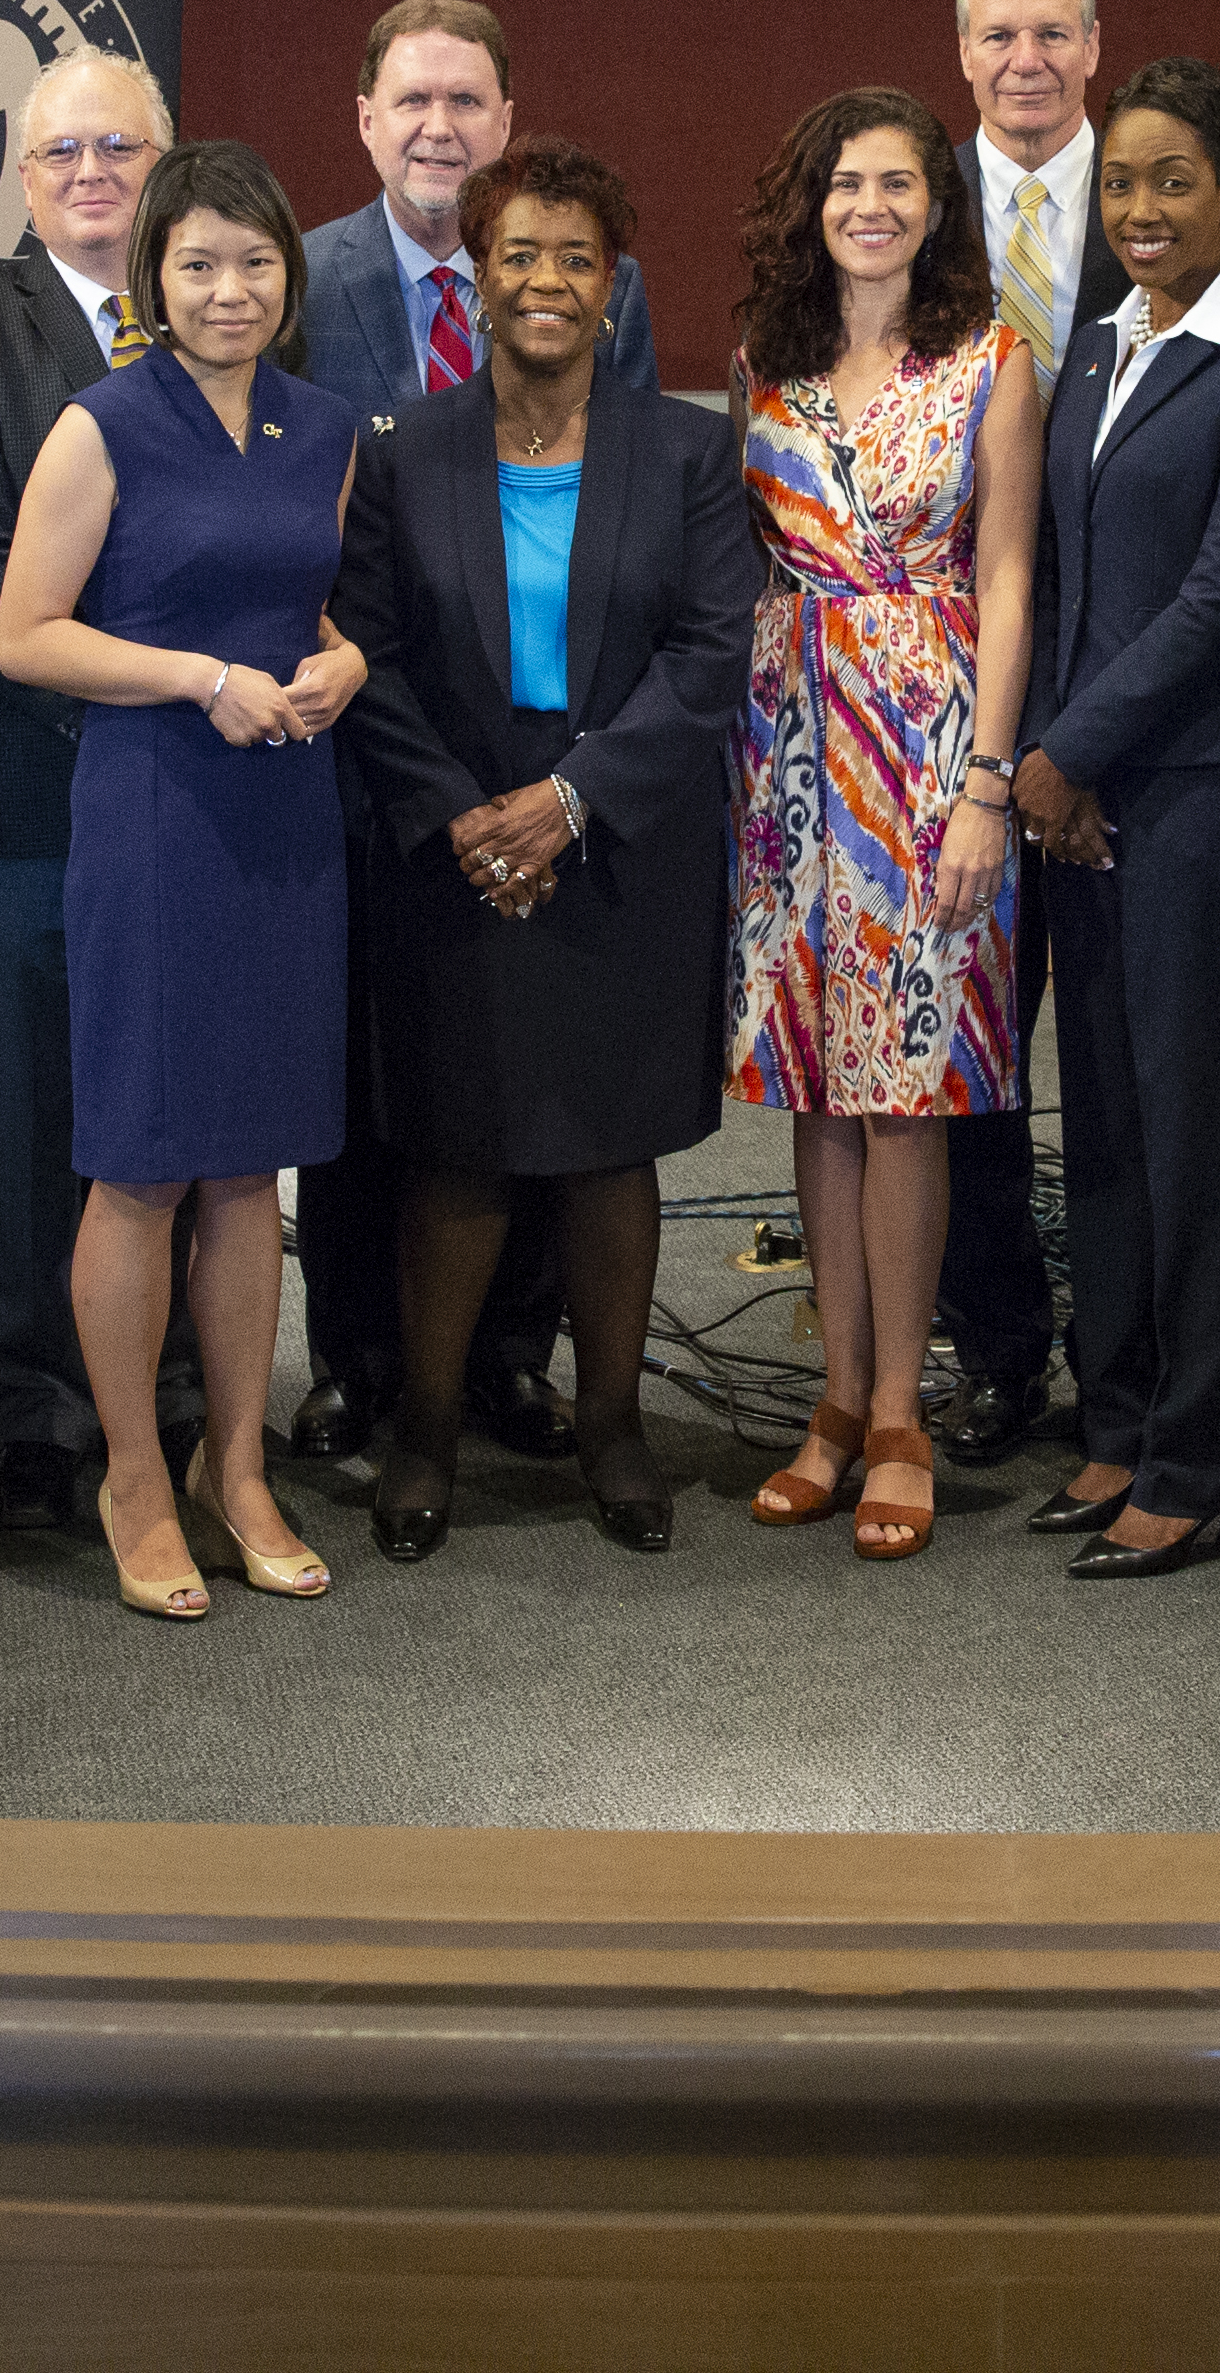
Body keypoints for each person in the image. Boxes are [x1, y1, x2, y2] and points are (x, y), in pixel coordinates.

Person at [329, 137, 760, 1562]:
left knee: (605, 1152)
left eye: (578, 258)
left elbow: (708, 659)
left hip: (616, 840)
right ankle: (429, 1432)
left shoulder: (691, 450)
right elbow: (367, 658)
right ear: (478, 272)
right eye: (520, 253)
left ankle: (614, 1425)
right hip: (454, 839)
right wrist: (465, 814)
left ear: (615, 286)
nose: (547, 281)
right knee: (455, 1150)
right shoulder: (402, 451)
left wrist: (570, 803)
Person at [0, 138, 365, 1619]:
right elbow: (30, 634)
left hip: (286, 817)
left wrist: (341, 661)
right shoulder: (102, 424)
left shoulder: (325, 426)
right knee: (143, 1162)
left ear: (289, 275)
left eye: (255, 261)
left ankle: (238, 1465)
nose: (229, 289)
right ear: (155, 276)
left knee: (248, 1162)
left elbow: (323, 608)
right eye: (198, 263)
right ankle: (135, 1476)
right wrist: (198, 676)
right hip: (156, 817)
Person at [287, 0, 651, 1471]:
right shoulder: (297, 281)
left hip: (557, 756)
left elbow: (629, 520)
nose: (440, 127)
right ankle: (356, 1362)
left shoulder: (597, 280)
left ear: (507, 122)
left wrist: (561, 786)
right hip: (373, 746)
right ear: (365, 119)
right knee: (378, 1078)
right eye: (412, 101)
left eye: (469, 102)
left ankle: (511, 1357)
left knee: (549, 1070)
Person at [1005, 58, 1220, 1582]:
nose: (1142, 209)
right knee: (1113, 1131)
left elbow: (1219, 599)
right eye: (1121, 185)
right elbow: (1062, 571)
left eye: (1173, 182)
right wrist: (1046, 763)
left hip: (1205, 796)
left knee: (1196, 1136)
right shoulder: (1093, 351)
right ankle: (1120, 1418)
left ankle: (1198, 1461)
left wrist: (1070, 750)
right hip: (1080, 797)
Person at [727, 84, 1046, 1563]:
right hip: (788, 747)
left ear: (939, 205)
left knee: (909, 1085)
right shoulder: (765, 367)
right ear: (814, 202)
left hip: (927, 747)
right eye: (847, 180)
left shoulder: (992, 360)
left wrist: (991, 780)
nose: (872, 205)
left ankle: (907, 1408)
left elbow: (1012, 577)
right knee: (819, 1079)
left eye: (900, 183)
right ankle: (836, 1403)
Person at [0, 45, 178, 1536]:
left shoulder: (228, 317)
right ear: (22, 177)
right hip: (39, 794)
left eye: (119, 151)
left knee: (184, 1115)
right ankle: (43, 1420)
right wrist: (139, 695)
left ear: (163, 162)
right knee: (30, 1120)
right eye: (63, 154)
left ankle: (184, 1401)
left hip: (205, 801)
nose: (91, 176)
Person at [934, 0, 1117, 1463]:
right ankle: (995, 1346)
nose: (1026, 64)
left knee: (1120, 1060)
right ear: (965, 55)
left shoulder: (1163, 202)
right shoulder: (906, 216)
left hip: (1130, 719)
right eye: (999, 38)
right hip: (946, 720)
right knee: (970, 1057)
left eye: (1051, 35)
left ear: (1094, 47)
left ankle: (1132, 1356)